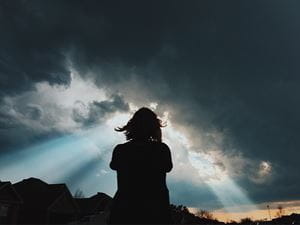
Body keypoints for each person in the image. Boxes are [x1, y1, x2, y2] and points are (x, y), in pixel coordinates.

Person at [107, 107, 173, 224]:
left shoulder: (121, 150)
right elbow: (168, 167)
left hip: (125, 211)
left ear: (132, 126)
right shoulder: (161, 150)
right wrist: (159, 139)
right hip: (156, 211)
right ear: (155, 128)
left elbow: (114, 165)